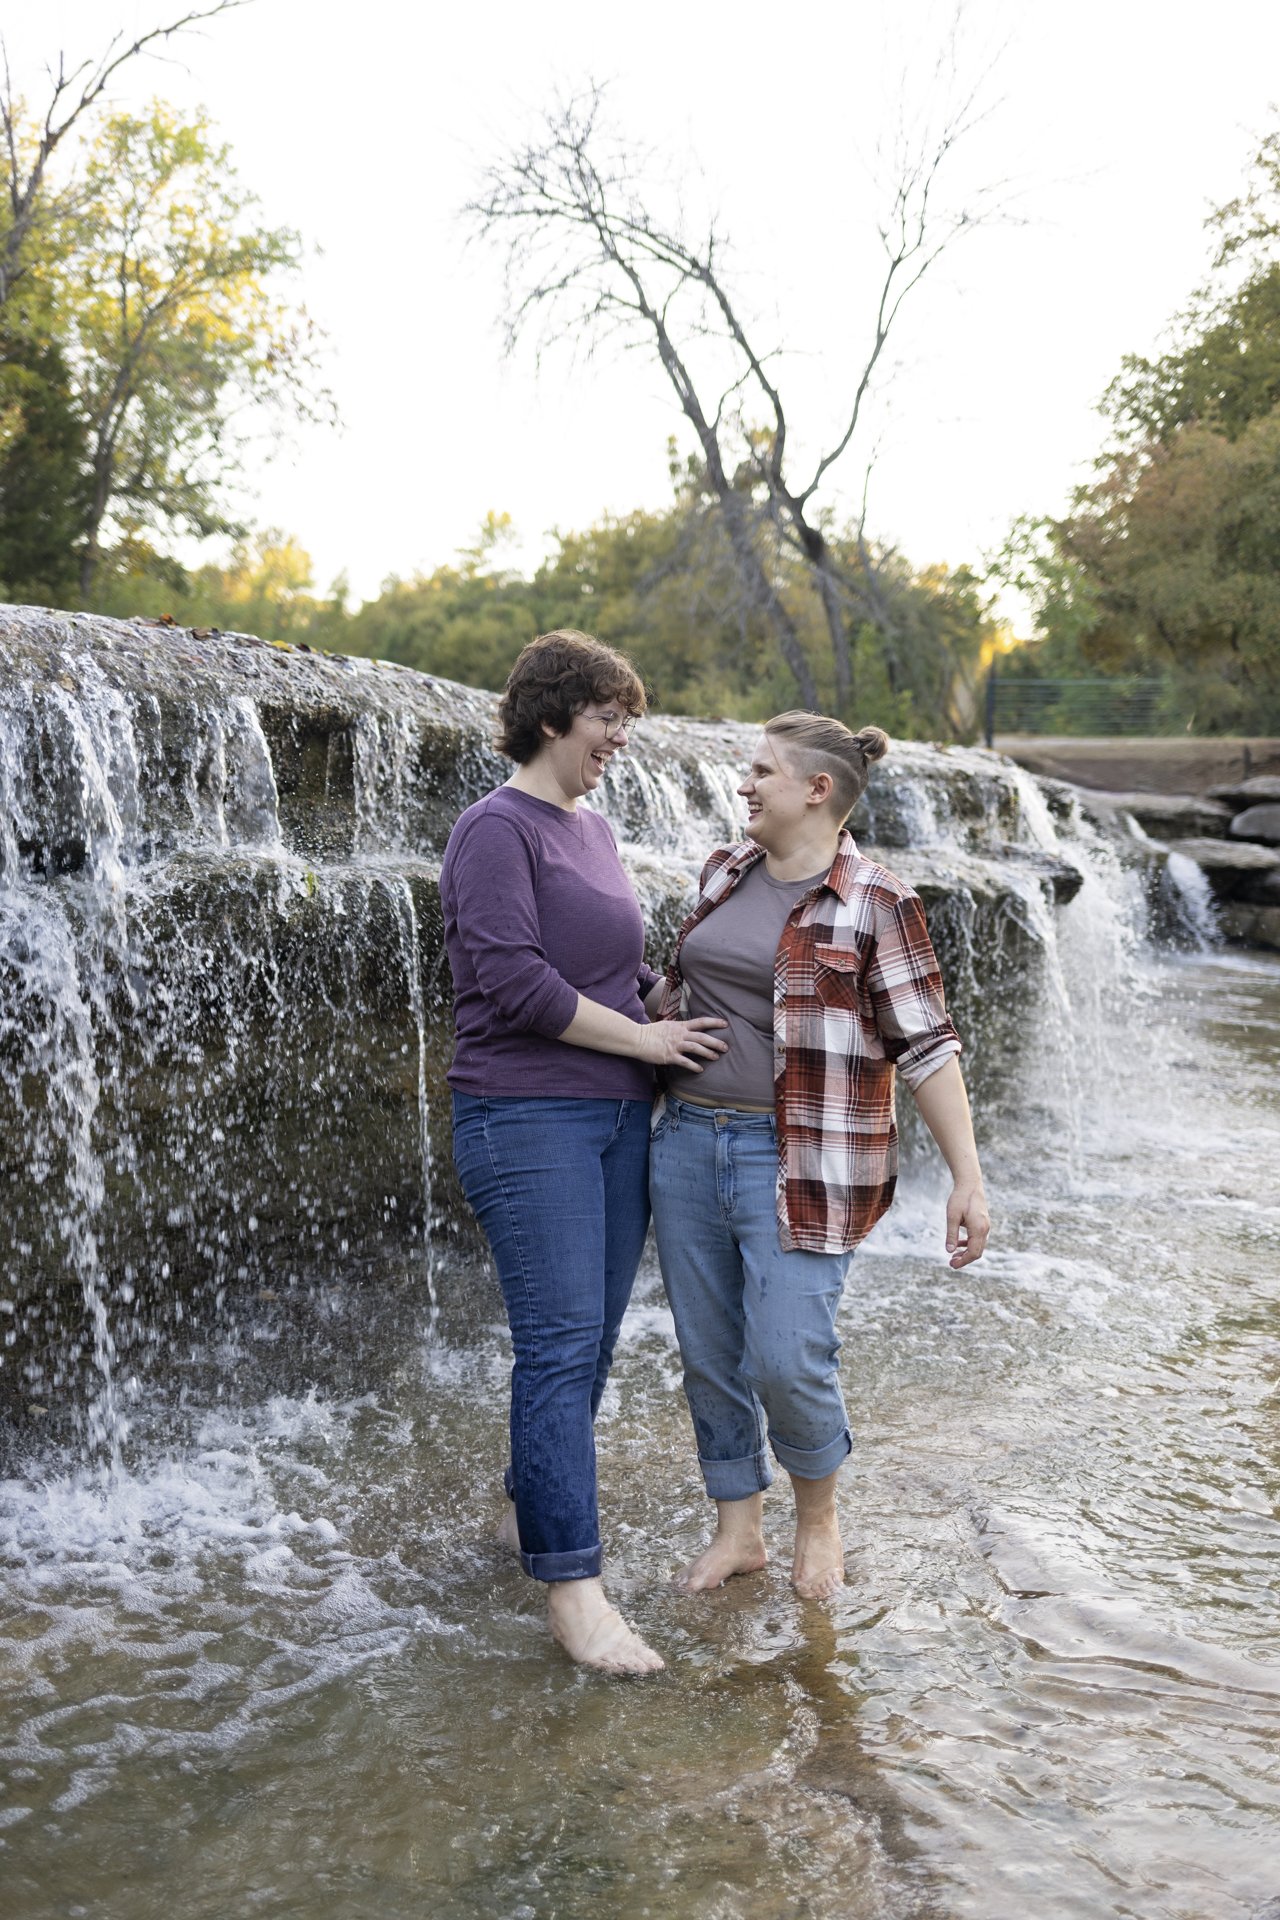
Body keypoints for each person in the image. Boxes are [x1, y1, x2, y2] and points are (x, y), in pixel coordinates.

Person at [649, 711, 990, 1600]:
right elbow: (676, 985)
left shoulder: (879, 901)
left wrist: (968, 1177)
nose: (745, 784)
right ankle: (738, 1530)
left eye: (761, 771)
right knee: (710, 1351)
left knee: (788, 1352)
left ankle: (817, 1516)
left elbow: (927, 1045)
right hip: (685, 1141)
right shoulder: (726, 871)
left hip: (803, 1160)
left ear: (817, 790)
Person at [440, 629, 727, 1675]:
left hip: (614, 1120)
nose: (618, 738)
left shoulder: (591, 830)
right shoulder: (492, 830)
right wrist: (646, 1039)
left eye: (625, 721)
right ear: (552, 714)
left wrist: (664, 999)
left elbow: (614, 966)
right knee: (558, 1350)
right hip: (525, 1120)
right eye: (608, 717)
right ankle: (573, 1592)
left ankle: (528, 1513)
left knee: (589, 1347)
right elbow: (513, 984)